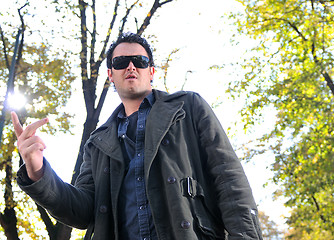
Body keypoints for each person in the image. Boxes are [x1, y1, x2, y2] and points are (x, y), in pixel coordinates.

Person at [12, 32, 263, 240]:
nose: (131, 66)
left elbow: (230, 182)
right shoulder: (97, 143)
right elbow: (81, 211)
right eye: (121, 62)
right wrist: (37, 171)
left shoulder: (188, 108)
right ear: (110, 75)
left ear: (151, 71)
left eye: (139, 61)